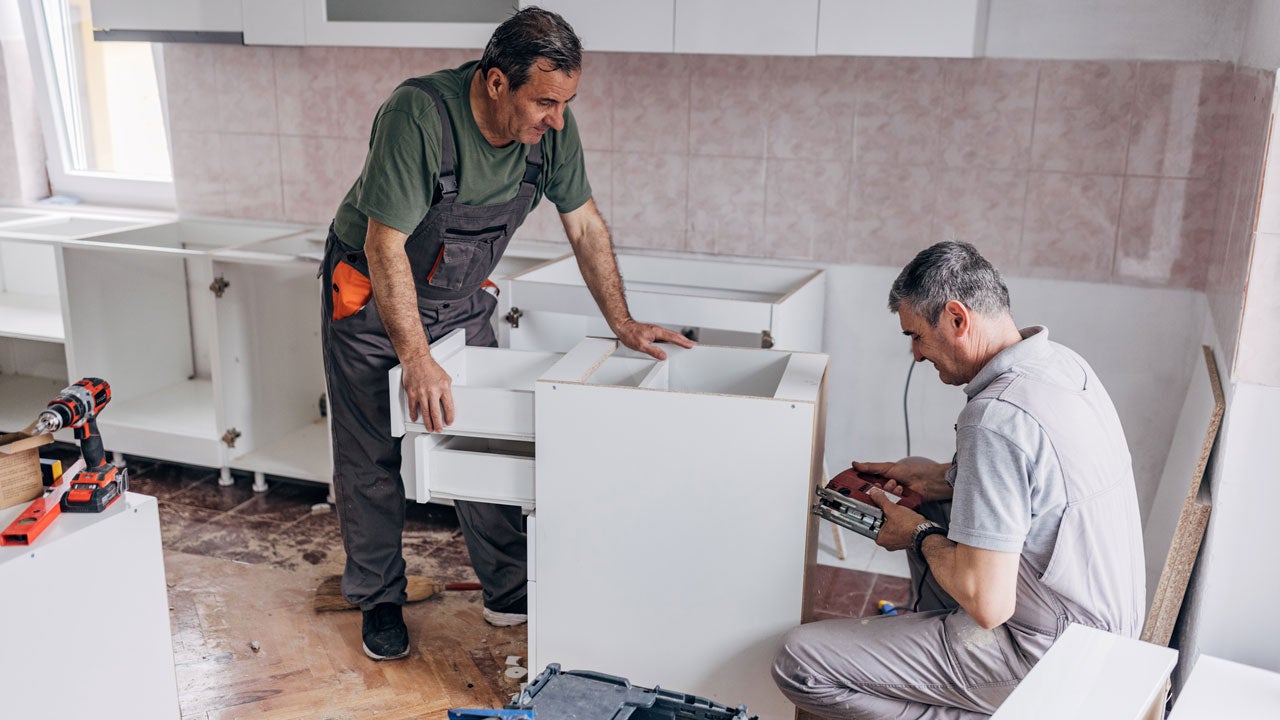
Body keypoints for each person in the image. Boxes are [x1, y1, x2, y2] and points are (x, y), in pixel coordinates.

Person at [320, 7, 692, 661]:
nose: (558, 118)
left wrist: (622, 321)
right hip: (373, 300)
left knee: (486, 439)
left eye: (565, 102)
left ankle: (509, 590)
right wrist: (416, 358)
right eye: (545, 102)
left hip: (459, 301)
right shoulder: (420, 116)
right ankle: (378, 598)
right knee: (371, 456)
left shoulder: (550, 130)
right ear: (497, 83)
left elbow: (584, 223)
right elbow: (385, 245)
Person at [773, 241, 1145, 718]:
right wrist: (930, 478)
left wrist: (916, 533)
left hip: (1052, 659)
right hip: (1105, 632)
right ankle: (939, 653)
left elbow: (989, 605)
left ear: (956, 318)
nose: (915, 355)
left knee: (798, 663)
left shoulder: (996, 417)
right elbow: (1034, 487)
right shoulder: (1063, 365)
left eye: (916, 336)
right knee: (926, 493)